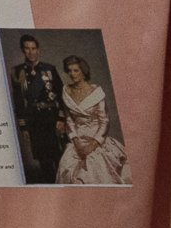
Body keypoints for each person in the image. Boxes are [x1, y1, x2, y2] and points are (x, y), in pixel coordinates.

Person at [56, 56, 130, 187]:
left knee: (96, 171)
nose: (72, 74)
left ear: (83, 71)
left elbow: (104, 121)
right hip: (77, 139)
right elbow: (69, 120)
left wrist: (92, 145)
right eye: (69, 71)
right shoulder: (66, 91)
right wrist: (76, 142)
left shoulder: (96, 91)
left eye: (76, 70)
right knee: (68, 169)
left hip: (96, 139)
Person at [9, 35, 66, 184]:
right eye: (27, 49)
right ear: (23, 50)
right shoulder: (17, 72)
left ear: (38, 50)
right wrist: (24, 127)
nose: (31, 52)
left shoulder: (49, 69)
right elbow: (18, 101)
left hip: (52, 118)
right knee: (44, 161)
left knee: (60, 157)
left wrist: (61, 119)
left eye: (33, 48)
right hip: (35, 121)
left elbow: (62, 96)